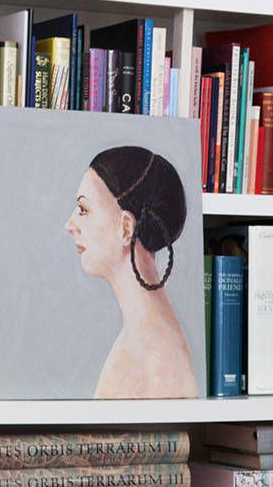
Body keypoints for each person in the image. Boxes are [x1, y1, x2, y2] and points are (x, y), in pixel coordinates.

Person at [64, 145, 198, 399]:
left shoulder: (151, 351)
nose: (70, 225)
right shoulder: (143, 333)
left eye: (83, 210)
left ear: (126, 227)